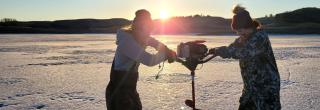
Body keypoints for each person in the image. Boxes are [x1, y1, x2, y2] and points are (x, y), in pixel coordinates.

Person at [209, 5, 281, 110]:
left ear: (248, 26)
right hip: (250, 88)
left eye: (240, 30)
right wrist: (215, 50)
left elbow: (244, 52)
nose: (238, 33)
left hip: (266, 87)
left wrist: (224, 52)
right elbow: (232, 48)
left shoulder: (260, 37)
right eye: (236, 31)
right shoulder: (243, 37)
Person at [105, 9, 176, 110]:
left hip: (130, 89)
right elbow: (149, 60)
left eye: (150, 29)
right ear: (137, 26)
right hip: (119, 93)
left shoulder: (140, 36)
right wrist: (166, 55)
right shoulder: (127, 41)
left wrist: (166, 49)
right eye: (146, 29)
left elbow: (154, 42)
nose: (148, 33)